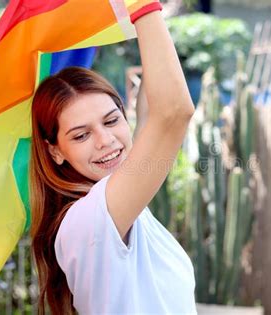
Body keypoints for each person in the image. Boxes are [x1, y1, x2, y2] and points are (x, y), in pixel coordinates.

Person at [29, 2, 196, 314]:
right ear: (55, 150)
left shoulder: (120, 204)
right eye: (81, 135)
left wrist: (148, 14)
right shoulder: (89, 219)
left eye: (111, 120)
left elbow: (155, 107)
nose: (106, 141)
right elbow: (172, 113)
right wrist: (144, 6)